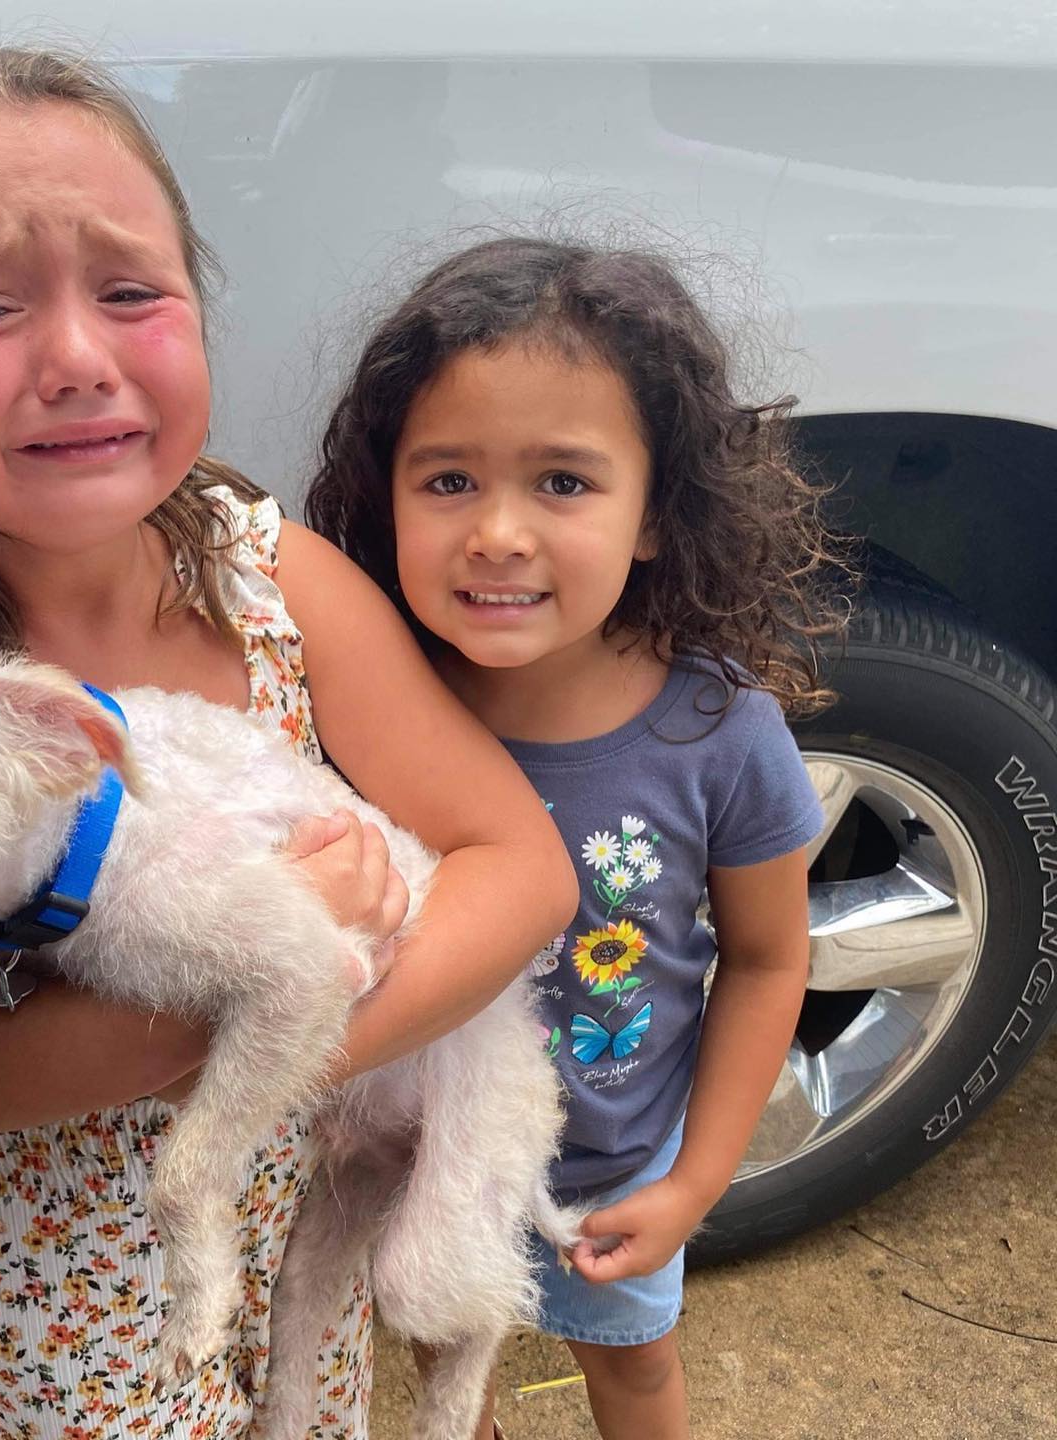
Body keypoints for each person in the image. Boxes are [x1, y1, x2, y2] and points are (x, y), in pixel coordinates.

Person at [0, 54, 576, 1440]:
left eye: (135, 292)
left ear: (201, 321)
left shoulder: (273, 580)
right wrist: (245, 1000)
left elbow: (521, 869)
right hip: (58, 1329)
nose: (80, 359)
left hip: (281, 1249)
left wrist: (297, 1011)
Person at [305, 236, 850, 1440]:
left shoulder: (721, 730)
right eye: (448, 481)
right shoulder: (370, 708)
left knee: (637, 1374)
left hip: (620, 1173)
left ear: (657, 516)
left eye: (563, 482)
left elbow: (768, 958)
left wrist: (696, 1181)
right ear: (380, 494)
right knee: (448, 1370)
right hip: (420, 1164)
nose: (498, 533)